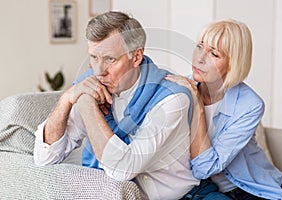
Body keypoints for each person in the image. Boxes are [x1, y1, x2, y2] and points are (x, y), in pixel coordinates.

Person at [34, 11, 201, 200]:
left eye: (109, 59)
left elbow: (122, 169)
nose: (98, 72)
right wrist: (66, 98)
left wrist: (86, 104)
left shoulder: (172, 99)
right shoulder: (91, 85)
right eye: (94, 58)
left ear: (136, 57)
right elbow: (45, 157)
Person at [165, 19, 282, 199]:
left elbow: (204, 168)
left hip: (257, 189)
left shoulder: (250, 105)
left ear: (233, 63)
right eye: (199, 46)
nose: (200, 58)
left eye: (214, 54)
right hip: (208, 190)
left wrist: (197, 104)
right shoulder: (181, 88)